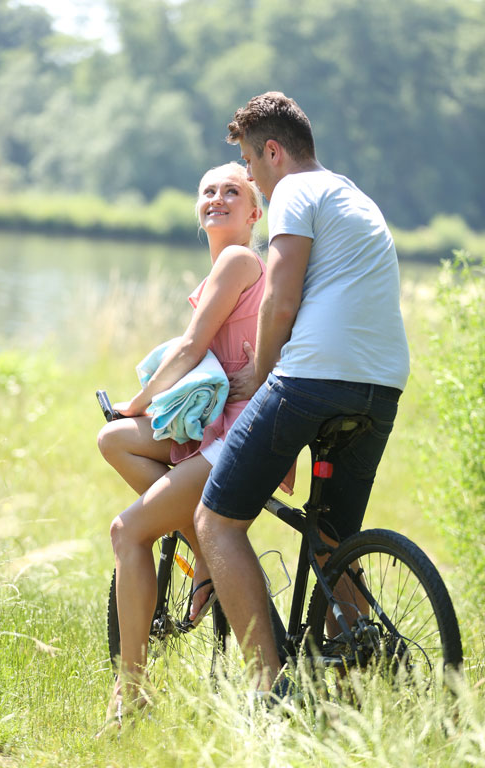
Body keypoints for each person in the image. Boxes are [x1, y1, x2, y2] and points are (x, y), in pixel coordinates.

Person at [194, 92, 410, 695]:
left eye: (250, 163)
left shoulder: (293, 190)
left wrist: (260, 380)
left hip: (313, 378)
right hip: (383, 386)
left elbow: (279, 299)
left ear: (272, 151)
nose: (253, 181)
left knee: (214, 522)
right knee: (331, 541)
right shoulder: (353, 195)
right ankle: (359, 675)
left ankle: (269, 691)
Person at [96, 161, 265, 728]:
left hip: (237, 433)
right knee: (114, 439)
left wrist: (138, 401)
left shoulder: (240, 259)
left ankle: (131, 691)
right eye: (208, 191)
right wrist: (133, 416)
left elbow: (193, 347)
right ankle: (200, 539)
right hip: (213, 424)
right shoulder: (226, 265)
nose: (216, 199)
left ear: (254, 213)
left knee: (127, 531)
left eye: (232, 192)